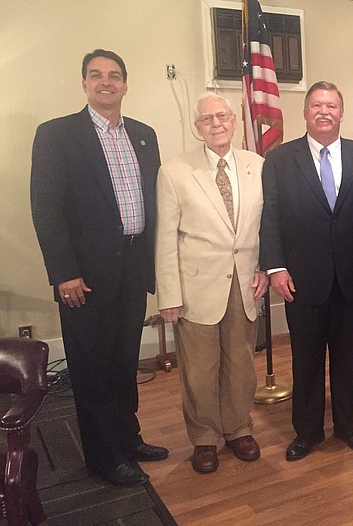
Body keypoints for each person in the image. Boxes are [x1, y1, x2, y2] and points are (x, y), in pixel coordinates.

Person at [30, 49, 167, 487]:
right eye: (96, 75)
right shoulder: (57, 135)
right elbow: (46, 210)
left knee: (125, 361)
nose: (105, 82)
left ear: (126, 84)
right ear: (84, 84)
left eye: (114, 75)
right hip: (83, 277)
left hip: (132, 269)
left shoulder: (145, 135)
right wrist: (63, 273)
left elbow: (154, 204)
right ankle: (104, 458)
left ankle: (129, 440)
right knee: (91, 369)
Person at [261, 81, 353, 461]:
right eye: (316, 105)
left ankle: (349, 426)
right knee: (307, 361)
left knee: (348, 359)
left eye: (331, 105)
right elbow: (270, 218)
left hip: (352, 280)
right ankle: (308, 432)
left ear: (341, 113)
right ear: (305, 112)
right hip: (301, 280)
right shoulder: (280, 159)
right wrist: (276, 268)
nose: (324, 111)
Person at [155, 93, 267, 474]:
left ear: (234, 120)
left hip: (245, 283)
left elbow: (267, 227)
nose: (216, 124)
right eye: (207, 119)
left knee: (241, 364)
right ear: (196, 127)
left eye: (222, 116)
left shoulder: (258, 166)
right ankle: (205, 438)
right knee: (200, 369)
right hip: (196, 289)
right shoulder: (174, 171)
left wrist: (266, 268)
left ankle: (239, 428)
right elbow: (165, 238)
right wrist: (169, 294)